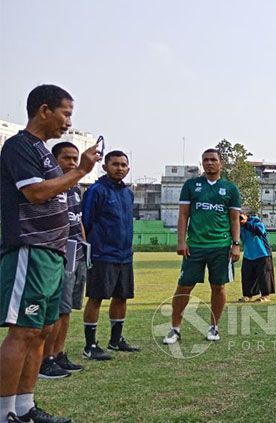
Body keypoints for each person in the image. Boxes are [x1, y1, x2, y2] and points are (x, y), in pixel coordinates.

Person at [1, 84, 99, 423]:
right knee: (23, 331)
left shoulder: (43, 152)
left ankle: (26, 407)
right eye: (66, 113)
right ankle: (4, 413)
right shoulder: (19, 147)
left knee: (42, 330)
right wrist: (81, 171)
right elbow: (35, 193)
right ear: (44, 110)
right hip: (31, 248)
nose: (68, 122)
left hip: (54, 252)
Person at [163, 149, 242, 344]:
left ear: (220, 163)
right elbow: (183, 215)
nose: (209, 163)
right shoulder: (191, 185)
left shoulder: (230, 188)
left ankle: (214, 327)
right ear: (202, 163)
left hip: (221, 246)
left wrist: (235, 244)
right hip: (195, 246)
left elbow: (234, 219)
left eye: (213, 160)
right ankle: (175, 328)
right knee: (184, 287)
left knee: (218, 287)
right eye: (205, 160)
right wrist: (181, 241)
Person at [81, 150, 138, 360]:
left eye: (123, 165)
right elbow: (85, 222)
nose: (119, 168)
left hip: (124, 256)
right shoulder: (96, 190)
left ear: (128, 169)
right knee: (96, 298)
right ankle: (90, 345)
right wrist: (87, 250)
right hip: (102, 255)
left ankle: (116, 341)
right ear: (105, 167)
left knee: (121, 297)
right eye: (115, 164)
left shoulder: (128, 193)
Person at [38, 142, 86, 379]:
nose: (72, 164)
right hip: (58, 253)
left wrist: (85, 249)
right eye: (66, 158)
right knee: (55, 310)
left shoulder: (75, 189)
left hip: (76, 253)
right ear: (53, 160)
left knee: (67, 310)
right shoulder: (50, 188)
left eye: (75, 159)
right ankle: (44, 359)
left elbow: (79, 221)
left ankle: (58, 354)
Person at [239, 212, 275, 303]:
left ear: (245, 215)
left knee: (264, 275)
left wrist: (246, 224)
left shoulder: (256, 221)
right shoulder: (238, 226)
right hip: (248, 254)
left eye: (240, 217)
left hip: (262, 253)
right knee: (247, 275)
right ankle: (248, 295)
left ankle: (265, 295)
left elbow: (260, 231)